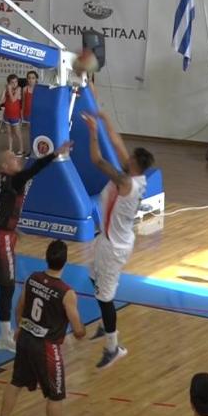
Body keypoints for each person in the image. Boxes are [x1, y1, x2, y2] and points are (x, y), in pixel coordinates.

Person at [0, 141, 73, 351]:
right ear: (5, 166)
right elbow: (36, 168)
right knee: (8, 286)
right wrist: (55, 154)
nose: (18, 159)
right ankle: (5, 337)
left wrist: (13, 227)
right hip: (0, 237)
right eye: (13, 158)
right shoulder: (15, 180)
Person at [0, 239, 86, 416]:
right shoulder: (66, 293)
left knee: (16, 382)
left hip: (25, 338)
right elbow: (78, 330)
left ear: (47, 258)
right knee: (55, 394)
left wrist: (19, 327)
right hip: (47, 347)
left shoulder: (32, 279)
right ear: (65, 262)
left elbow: (19, 307)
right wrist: (83, 333)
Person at [81, 110, 154, 369]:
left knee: (105, 298)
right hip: (110, 239)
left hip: (114, 248)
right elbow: (117, 142)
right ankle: (104, 323)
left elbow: (97, 159)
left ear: (133, 164)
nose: (125, 156)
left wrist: (92, 132)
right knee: (91, 273)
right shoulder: (137, 176)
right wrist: (104, 118)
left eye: (129, 157)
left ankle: (113, 347)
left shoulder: (124, 181)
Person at [0, 74, 24, 156]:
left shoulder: (19, 89)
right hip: (7, 114)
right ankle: (10, 148)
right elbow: (1, 100)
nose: (14, 84)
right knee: (9, 133)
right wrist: (5, 89)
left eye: (16, 82)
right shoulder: (8, 89)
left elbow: (13, 99)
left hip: (15, 115)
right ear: (8, 83)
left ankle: (21, 149)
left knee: (17, 133)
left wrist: (9, 90)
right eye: (12, 82)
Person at [19, 71, 38, 150]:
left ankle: (37, 148)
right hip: (28, 112)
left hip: (36, 113)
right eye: (29, 78)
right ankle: (31, 149)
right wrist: (22, 112)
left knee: (36, 131)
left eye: (33, 78)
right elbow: (23, 101)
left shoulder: (39, 89)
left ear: (36, 79)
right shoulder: (25, 89)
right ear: (27, 79)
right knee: (30, 132)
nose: (31, 80)